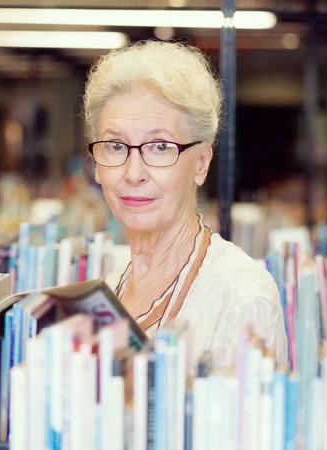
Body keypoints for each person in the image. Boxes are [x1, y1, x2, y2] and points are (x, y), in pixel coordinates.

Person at [83, 40, 288, 369]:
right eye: (116, 145)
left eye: (160, 146)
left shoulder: (243, 298)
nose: (134, 173)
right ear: (96, 164)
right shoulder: (106, 292)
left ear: (201, 163)